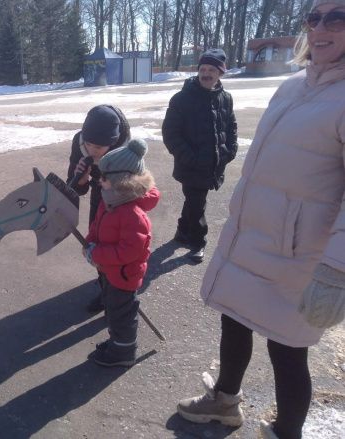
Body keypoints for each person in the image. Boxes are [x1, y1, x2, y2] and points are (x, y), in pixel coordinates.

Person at [177, 2, 345, 438]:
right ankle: (223, 402)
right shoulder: (291, 86)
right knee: (234, 317)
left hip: (300, 254)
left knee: (287, 349)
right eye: (314, 17)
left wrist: (336, 269)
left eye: (338, 17)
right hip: (253, 236)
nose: (322, 27)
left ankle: (285, 432)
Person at [82, 138, 160, 367]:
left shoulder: (133, 215)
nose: (99, 180)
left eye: (103, 177)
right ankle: (118, 342)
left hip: (124, 275)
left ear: (119, 181)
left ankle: (124, 351)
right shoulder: (110, 201)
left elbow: (129, 252)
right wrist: (90, 243)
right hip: (110, 271)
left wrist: (97, 254)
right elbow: (97, 226)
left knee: (121, 315)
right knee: (112, 310)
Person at [162, 48, 238, 262]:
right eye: (202, 69)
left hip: (215, 164)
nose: (206, 73)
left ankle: (182, 231)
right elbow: (170, 133)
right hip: (191, 166)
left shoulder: (226, 98)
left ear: (220, 73)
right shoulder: (181, 99)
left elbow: (231, 125)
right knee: (197, 203)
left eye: (211, 69)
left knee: (194, 200)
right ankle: (198, 242)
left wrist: (230, 151)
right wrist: (190, 158)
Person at [67, 105, 131, 313]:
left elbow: (136, 188)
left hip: (122, 200)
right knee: (97, 241)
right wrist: (81, 180)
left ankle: (116, 293)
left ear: (112, 143)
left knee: (116, 246)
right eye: (89, 144)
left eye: (99, 147)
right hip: (98, 191)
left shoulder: (126, 149)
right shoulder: (80, 142)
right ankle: (105, 287)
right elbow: (74, 187)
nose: (92, 150)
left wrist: (110, 183)